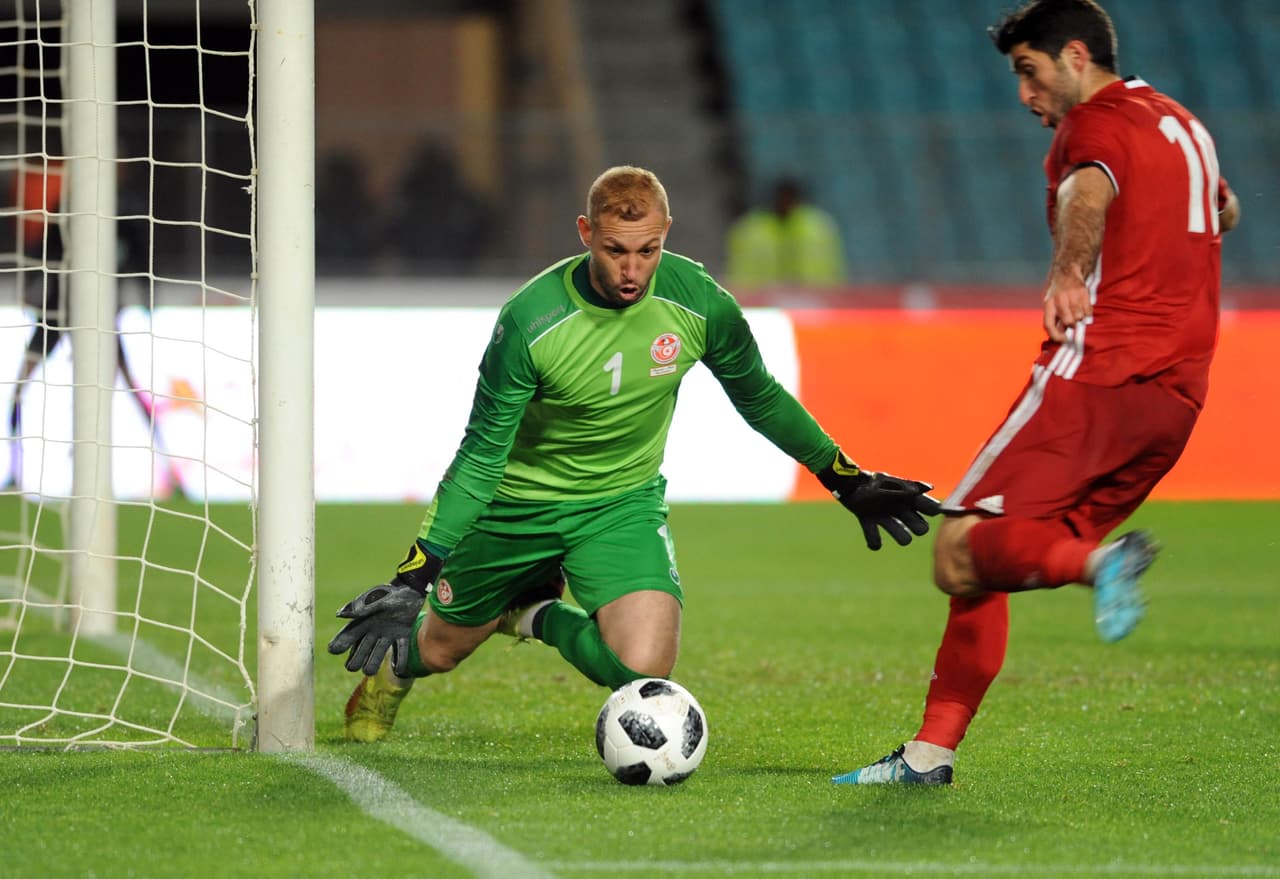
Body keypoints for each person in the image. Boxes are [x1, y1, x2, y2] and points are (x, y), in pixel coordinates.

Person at [328, 165, 941, 743]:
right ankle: (392, 681)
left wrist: (844, 478)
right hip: (517, 506)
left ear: (666, 234)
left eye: (647, 250)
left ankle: (530, 614)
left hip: (619, 504)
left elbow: (760, 397)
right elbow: (481, 456)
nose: (631, 270)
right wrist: (414, 575)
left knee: (642, 666)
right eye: (615, 250)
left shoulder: (700, 302)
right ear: (585, 233)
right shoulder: (530, 321)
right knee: (436, 650)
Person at [833, 0, 1241, 786]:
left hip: (1098, 374)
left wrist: (1065, 274)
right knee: (991, 552)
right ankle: (928, 756)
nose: (1025, 93)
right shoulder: (1184, 124)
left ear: (1077, 56)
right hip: (1178, 397)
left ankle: (1101, 567)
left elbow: (1085, 195)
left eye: (1030, 70)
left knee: (956, 546)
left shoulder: (1091, 126)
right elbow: (1222, 207)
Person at [4, 157, 186, 498]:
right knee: (19, 388)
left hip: (100, 315)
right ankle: (14, 473)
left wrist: (149, 297)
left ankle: (171, 474)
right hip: (58, 309)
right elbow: (43, 249)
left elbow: (142, 258)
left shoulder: (128, 211)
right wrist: (31, 286)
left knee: (132, 389)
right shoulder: (70, 206)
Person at [724, 176, 846, 287]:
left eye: (790, 198)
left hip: (814, 301)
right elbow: (736, 272)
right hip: (760, 300)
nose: (786, 203)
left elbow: (835, 270)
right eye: (783, 198)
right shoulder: (749, 230)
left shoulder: (820, 227)